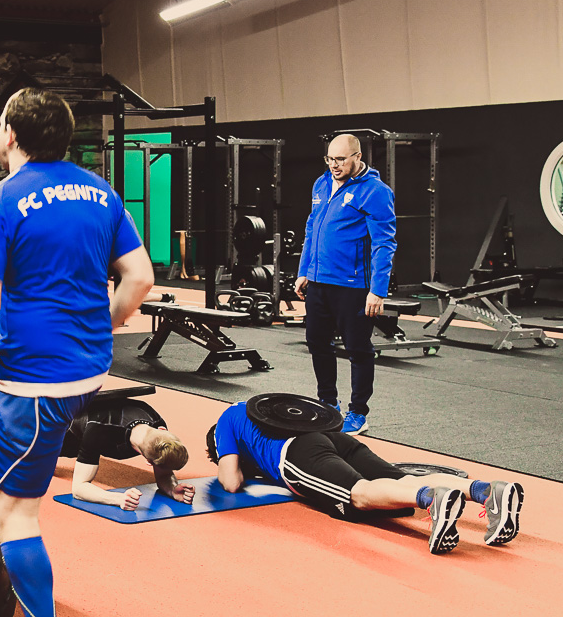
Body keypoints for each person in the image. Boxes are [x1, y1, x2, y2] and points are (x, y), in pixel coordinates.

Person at [0, 87, 154, 617]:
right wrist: (102, 325)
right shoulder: (101, 193)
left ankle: (12, 532)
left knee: (21, 517)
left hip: (37, 380)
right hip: (88, 363)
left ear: (10, 135)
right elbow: (139, 278)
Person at [206, 400, 525, 555]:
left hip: (298, 453)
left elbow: (230, 480)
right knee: (399, 480)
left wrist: (242, 463)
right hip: (333, 436)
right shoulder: (258, 405)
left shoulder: (225, 422)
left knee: (359, 494)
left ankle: (431, 500)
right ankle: (487, 490)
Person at [294, 133, 397, 435]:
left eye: (340, 159)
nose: (334, 165)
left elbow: (384, 243)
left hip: (352, 287)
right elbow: (312, 228)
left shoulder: (376, 192)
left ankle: (358, 413)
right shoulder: (322, 183)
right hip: (318, 281)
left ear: (357, 157)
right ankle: (328, 404)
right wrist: (304, 271)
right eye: (329, 159)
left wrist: (377, 290)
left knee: (358, 349)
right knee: (316, 343)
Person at [0, 395, 193, 510]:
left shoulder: (160, 434)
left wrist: (172, 487)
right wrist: (116, 498)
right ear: (145, 459)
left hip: (79, 424)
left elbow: (163, 472)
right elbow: (78, 489)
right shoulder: (99, 430)